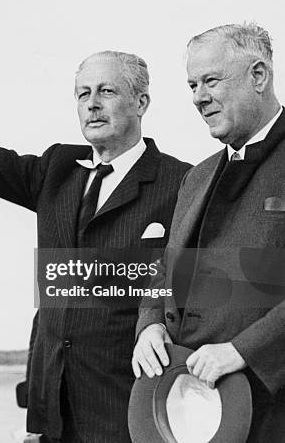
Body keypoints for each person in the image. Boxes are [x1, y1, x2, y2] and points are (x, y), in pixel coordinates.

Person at [0, 14, 191, 442]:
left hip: (129, 410)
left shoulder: (182, 182)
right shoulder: (56, 171)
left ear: (142, 102)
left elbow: (201, 290)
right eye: (82, 94)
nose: (92, 104)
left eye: (106, 92)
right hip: (52, 410)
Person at [133, 23, 285, 441]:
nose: (199, 97)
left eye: (211, 81)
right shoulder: (195, 178)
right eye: (192, 84)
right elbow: (166, 270)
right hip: (188, 412)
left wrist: (243, 351)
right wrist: (149, 324)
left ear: (259, 76)